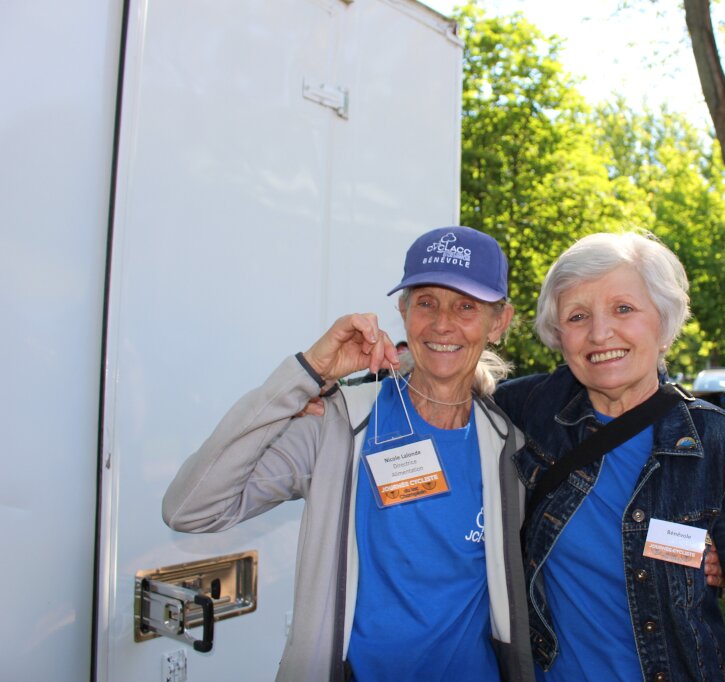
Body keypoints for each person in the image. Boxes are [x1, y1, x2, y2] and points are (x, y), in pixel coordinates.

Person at [162, 226, 534, 682]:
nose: (442, 324)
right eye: (426, 302)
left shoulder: (509, 447)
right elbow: (191, 509)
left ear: (498, 322)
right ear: (403, 311)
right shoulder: (340, 425)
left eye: (466, 306)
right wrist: (307, 374)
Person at [493, 232, 725, 681]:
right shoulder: (528, 410)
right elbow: (445, 391)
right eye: (577, 316)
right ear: (559, 335)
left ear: (663, 323)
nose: (599, 333)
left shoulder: (724, 446)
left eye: (624, 309)